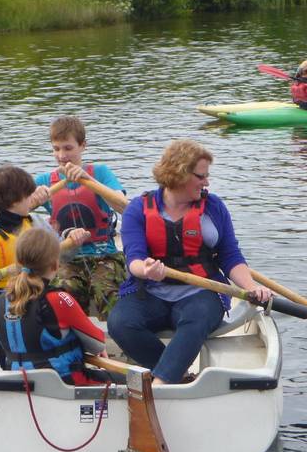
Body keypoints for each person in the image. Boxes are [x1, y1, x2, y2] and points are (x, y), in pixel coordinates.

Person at [107, 139, 272, 385]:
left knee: (195, 321)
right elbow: (134, 261)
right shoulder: (138, 209)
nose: (207, 182)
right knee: (119, 323)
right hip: (151, 292)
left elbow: (230, 257)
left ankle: (160, 383)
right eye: (201, 176)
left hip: (202, 291)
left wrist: (251, 287)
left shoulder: (213, 207)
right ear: (180, 174)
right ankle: (178, 376)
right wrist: (147, 271)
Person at [0, 164, 88, 320]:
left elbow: (61, 253)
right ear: (14, 202)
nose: (34, 198)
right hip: (5, 303)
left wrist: (71, 238)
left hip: (37, 295)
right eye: (29, 195)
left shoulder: (35, 222)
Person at [0, 227, 110, 386]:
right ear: (55, 265)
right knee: (135, 381)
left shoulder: (1, 300)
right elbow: (97, 344)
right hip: (62, 382)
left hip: (16, 381)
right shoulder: (59, 299)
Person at [34, 116, 127, 319]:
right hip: (67, 256)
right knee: (64, 291)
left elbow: (124, 207)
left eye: (68, 148)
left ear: (83, 146)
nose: (61, 155)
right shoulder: (43, 181)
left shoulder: (101, 173)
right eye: (56, 149)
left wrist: (88, 180)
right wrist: (34, 197)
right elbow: (15, 207)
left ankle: (119, 341)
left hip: (106, 254)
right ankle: (75, 345)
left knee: (103, 288)